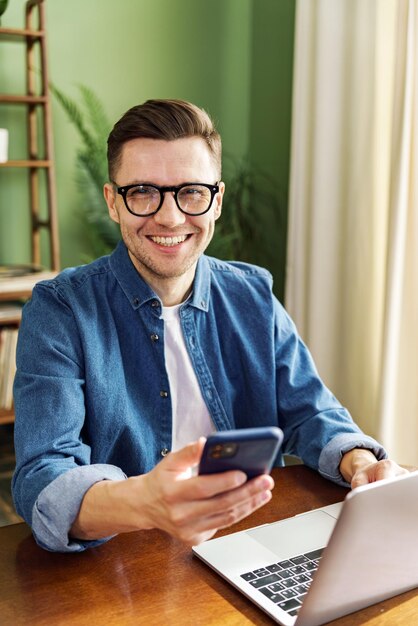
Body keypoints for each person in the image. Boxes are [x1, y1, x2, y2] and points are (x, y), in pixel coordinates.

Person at [12, 99, 407, 553]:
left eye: (191, 192)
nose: (170, 217)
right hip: (125, 563)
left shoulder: (252, 294)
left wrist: (359, 463)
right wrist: (143, 502)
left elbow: (311, 411)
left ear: (216, 201)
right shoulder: (60, 310)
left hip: (252, 541)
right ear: (113, 203)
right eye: (142, 191)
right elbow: (42, 477)